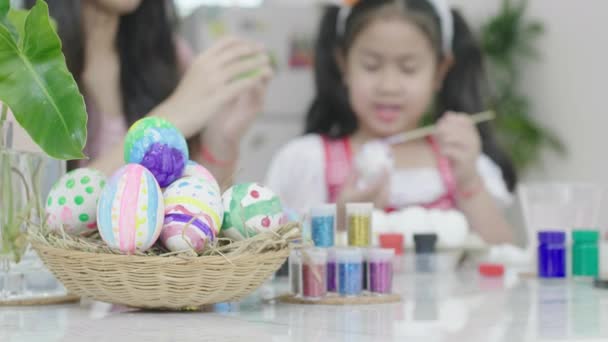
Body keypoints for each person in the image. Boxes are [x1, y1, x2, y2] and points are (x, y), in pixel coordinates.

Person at [266, 0, 517, 244]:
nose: (389, 86)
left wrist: (469, 181)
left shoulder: (460, 163)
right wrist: (339, 225)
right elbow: (272, 259)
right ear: (343, 63)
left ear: (440, 71)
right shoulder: (307, 160)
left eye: (408, 68)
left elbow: (504, 257)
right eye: (371, 66)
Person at [27, 0, 273, 184]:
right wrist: (165, 122)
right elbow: (41, 214)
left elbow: (196, 212)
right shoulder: (26, 63)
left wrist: (221, 139)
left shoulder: (171, 56)